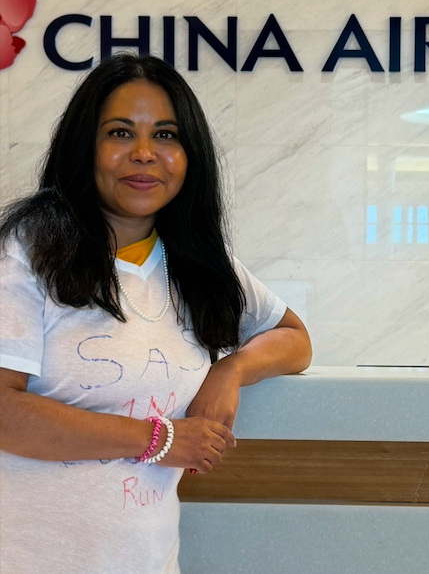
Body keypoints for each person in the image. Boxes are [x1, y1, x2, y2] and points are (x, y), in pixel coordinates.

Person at [0, 54, 312, 573]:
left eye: (165, 135)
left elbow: (293, 338)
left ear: (190, 156)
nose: (144, 154)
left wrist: (229, 370)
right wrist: (160, 439)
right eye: (120, 133)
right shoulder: (28, 252)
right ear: (86, 147)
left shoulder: (199, 266)